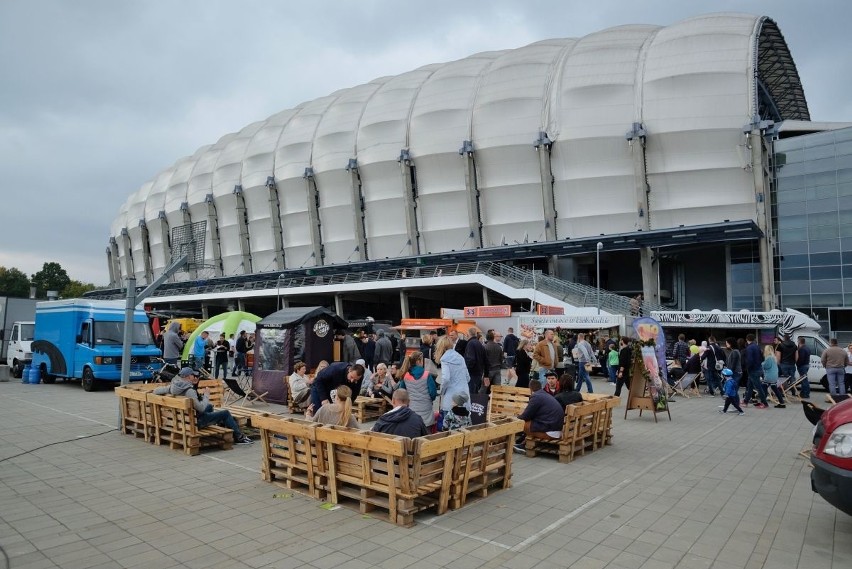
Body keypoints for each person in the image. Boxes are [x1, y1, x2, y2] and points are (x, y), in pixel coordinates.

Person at [153, 367, 252, 445]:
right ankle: (239, 437)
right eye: (193, 375)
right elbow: (201, 408)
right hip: (195, 422)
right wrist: (206, 395)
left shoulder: (174, 387)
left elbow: (156, 391)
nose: (195, 376)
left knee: (209, 406)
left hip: (183, 420)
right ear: (188, 377)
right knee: (225, 413)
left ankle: (224, 423)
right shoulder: (189, 391)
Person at [515, 379, 565, 451]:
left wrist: (515, 419)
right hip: (557, 429)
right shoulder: (544, 394)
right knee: (530, 422)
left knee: (524, 424)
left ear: (530, 389)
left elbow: (525, 416)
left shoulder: (536, 397)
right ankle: (524, 443)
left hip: (551, 431)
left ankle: (525, 446)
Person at [397, 351, 438, 430]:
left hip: (412, 410)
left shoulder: (406, 375)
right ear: (418, 361)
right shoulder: (427, 375)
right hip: (426, 410)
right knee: (426, 435)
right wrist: (429, 399)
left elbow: (401, 392)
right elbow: (433, 393)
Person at [435, 335, 470, 425]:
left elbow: (446, 378)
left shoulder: (444, 359)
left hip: (451, 397)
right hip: (464, 395)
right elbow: (468, 377)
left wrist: (442, 391)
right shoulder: (460, 357)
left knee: (449, 426)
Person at [742, 334, 768, 408]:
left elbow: (749, 360)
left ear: (747, 339)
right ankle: (746, 401)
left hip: (753, 370)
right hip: (758, 368)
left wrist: (747, 367)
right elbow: (762, 358)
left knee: (758, 387)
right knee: (750, 386)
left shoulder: (749, 348)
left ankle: (764, 403)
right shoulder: (757, 347)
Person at [464, 327, 487, 394]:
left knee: (471, 394)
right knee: (475, 392)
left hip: (472, 373)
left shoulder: (470, 344)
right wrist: (486, 374)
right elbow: (485, 360)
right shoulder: (479, 344)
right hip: (479, 372)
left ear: (468, 334)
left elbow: (471, 360)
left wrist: (466, 370)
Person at [762, 344, 786, 408]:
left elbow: (766, 366)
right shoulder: (774, 357)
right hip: (774, 376)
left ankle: (764, 403)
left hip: (769, 376)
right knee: (775, 389)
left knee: (763, 388)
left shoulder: (769, 358)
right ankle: (782, 403)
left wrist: (761, 364)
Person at [483, 330, 504, 394]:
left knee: (484, 387)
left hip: (489, 370)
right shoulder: (498, 347)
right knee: (497, 389)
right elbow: (501, 358)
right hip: (497, 369)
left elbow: (484, 360)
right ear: (493, 338)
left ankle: (481, 401)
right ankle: (497, 401)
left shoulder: (485, 347)